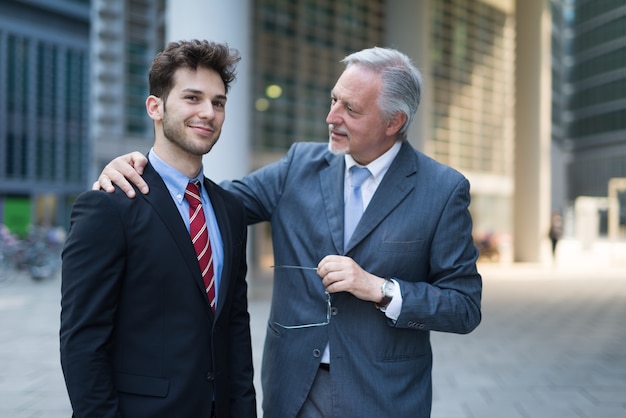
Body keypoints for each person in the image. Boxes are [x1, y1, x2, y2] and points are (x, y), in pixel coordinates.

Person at [97, 46, 482, 417]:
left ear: (393, 121)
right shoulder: (299, 165)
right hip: (294, 394)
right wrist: (142, 169)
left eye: (351, 109)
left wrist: (380, 289)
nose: (331, 117)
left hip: (384, 396)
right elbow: (211, 205)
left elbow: (464, 308)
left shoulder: (442, 190)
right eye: (334, 100)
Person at [60, 40, 256, 417]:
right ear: (155, 106)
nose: (208, 113)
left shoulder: (230, 210)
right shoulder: (108, 205)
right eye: (193, 98)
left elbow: (235, 327)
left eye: (218, 102)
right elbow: (81, 343)